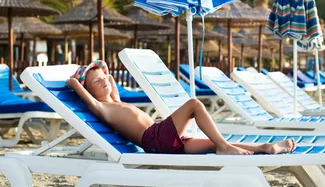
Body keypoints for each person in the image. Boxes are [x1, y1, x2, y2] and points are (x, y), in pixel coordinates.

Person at [67, 60, 295, 155]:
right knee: (194, 105)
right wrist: (77, 80)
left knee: (214, 145)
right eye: (97, 82)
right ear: (88, 90)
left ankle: (263, 148)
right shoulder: (101, 108)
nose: (105, 81)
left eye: (104, 78)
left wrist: (99, 70)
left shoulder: (115, 101)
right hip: (155, 138)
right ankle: (226, 146)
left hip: (164, 141)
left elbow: (109, 77)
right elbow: (79, 87)